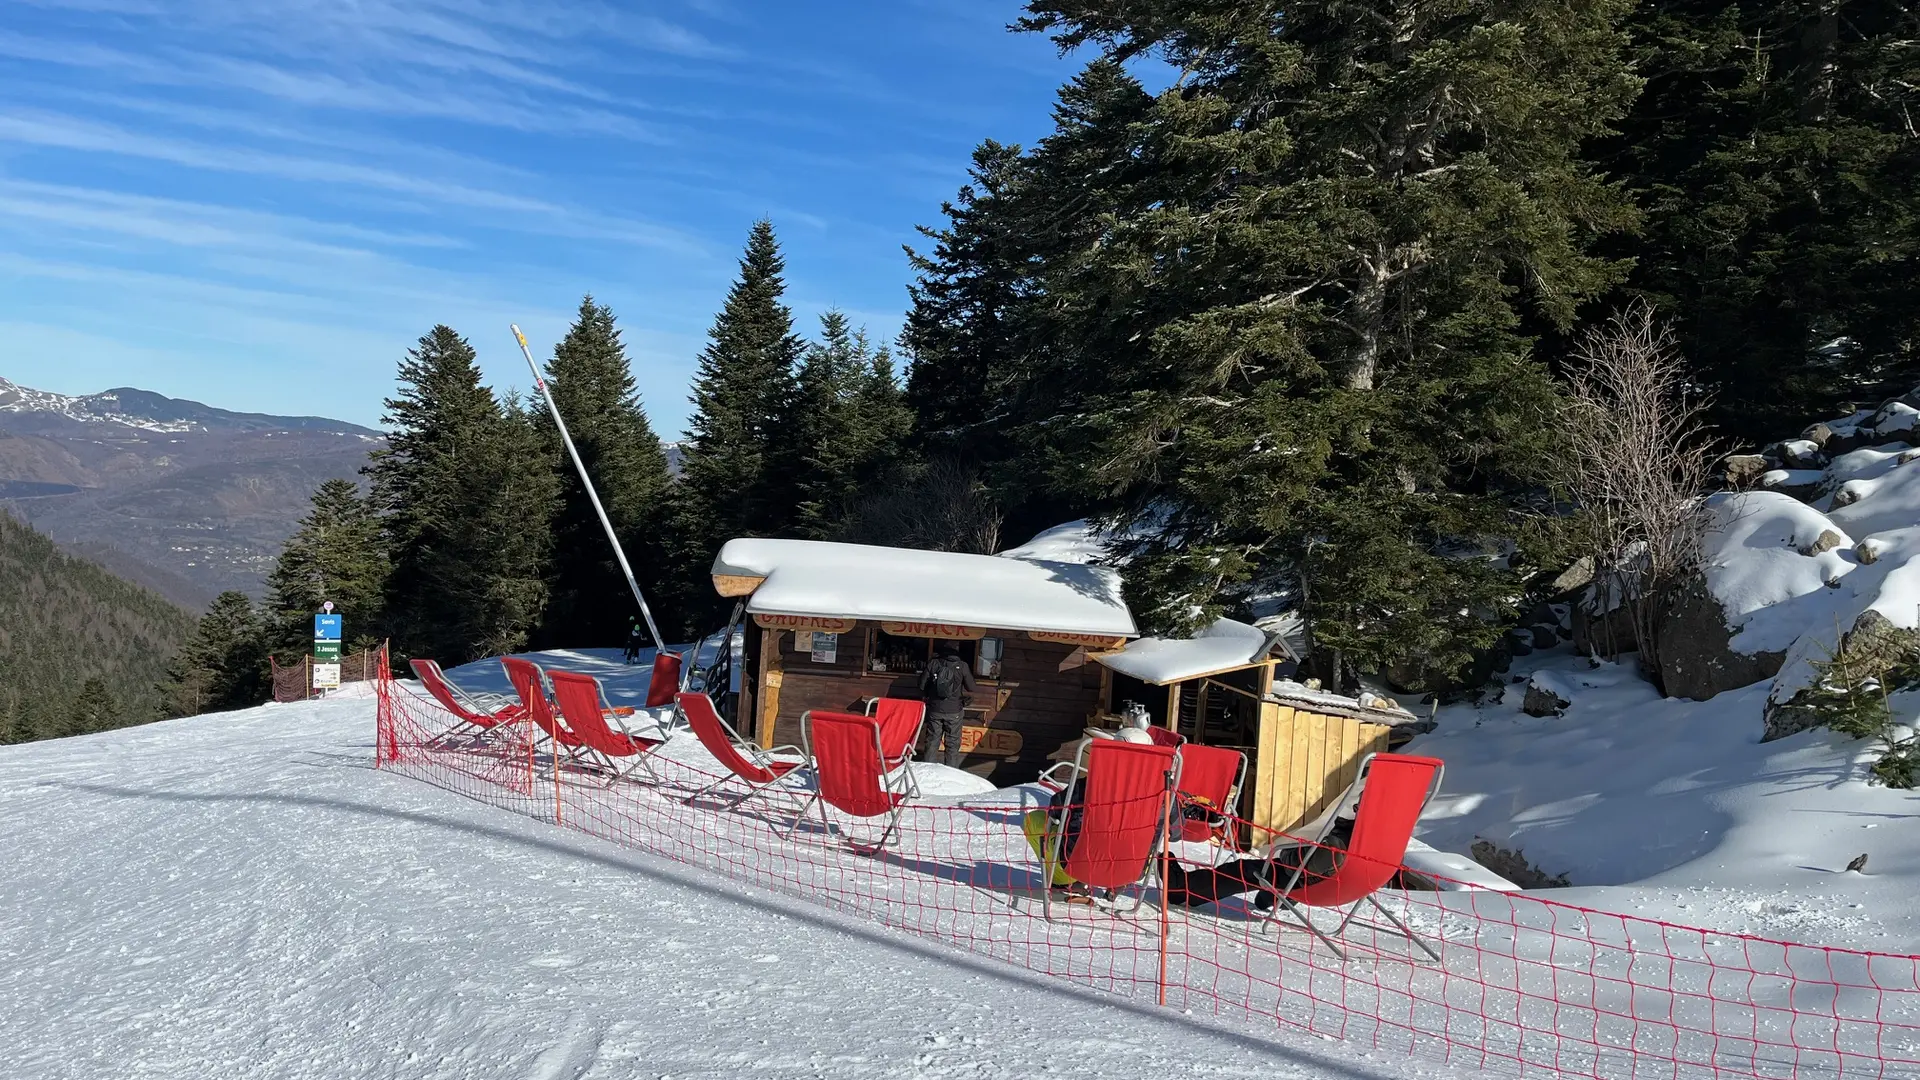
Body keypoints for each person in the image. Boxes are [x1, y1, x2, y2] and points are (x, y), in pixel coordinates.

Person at [918, 642, 975, 767]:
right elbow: (971, 687)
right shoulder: (962, 666)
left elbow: (921, 685)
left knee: (932, 741)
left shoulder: (933, 663)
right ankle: (950, 772)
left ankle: (927, 770)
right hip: (954, 710)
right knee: (952, 744)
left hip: (935, 709)